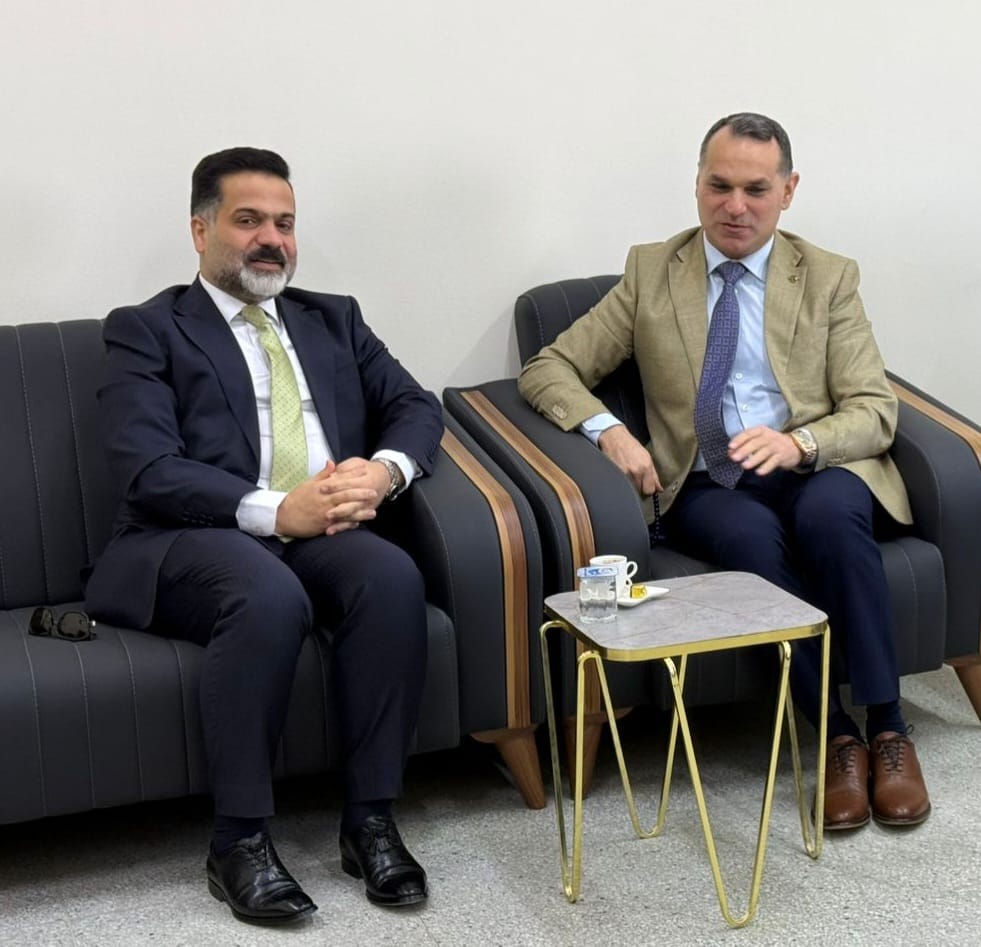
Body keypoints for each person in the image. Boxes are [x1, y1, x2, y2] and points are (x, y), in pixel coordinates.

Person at [518, 112, 930, 832]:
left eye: (755, 189)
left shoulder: (828, 276)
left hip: (814, 462)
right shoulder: (653, 271)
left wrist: (801, 443)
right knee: (748, 543)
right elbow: (548, 367)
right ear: (698, 184)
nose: (734, 206)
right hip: (707, 478)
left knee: (833, 518)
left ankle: (890, 728)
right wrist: (609, 431)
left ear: (787, 191)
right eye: (719, 186)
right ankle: (834, 735)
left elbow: (873, 407)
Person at [85, 147, 443, 924]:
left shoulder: (333, 318)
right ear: (200, 230)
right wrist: (278, 511)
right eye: (248, 221)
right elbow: (147, 467)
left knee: (390, 577)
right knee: (267, 593)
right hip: (191, 534)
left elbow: (415, 405)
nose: (271, 239)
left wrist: (382, 472)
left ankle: (370, 820)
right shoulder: (147, 329)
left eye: (284, 223)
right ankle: (238, 840)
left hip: (320, 529)